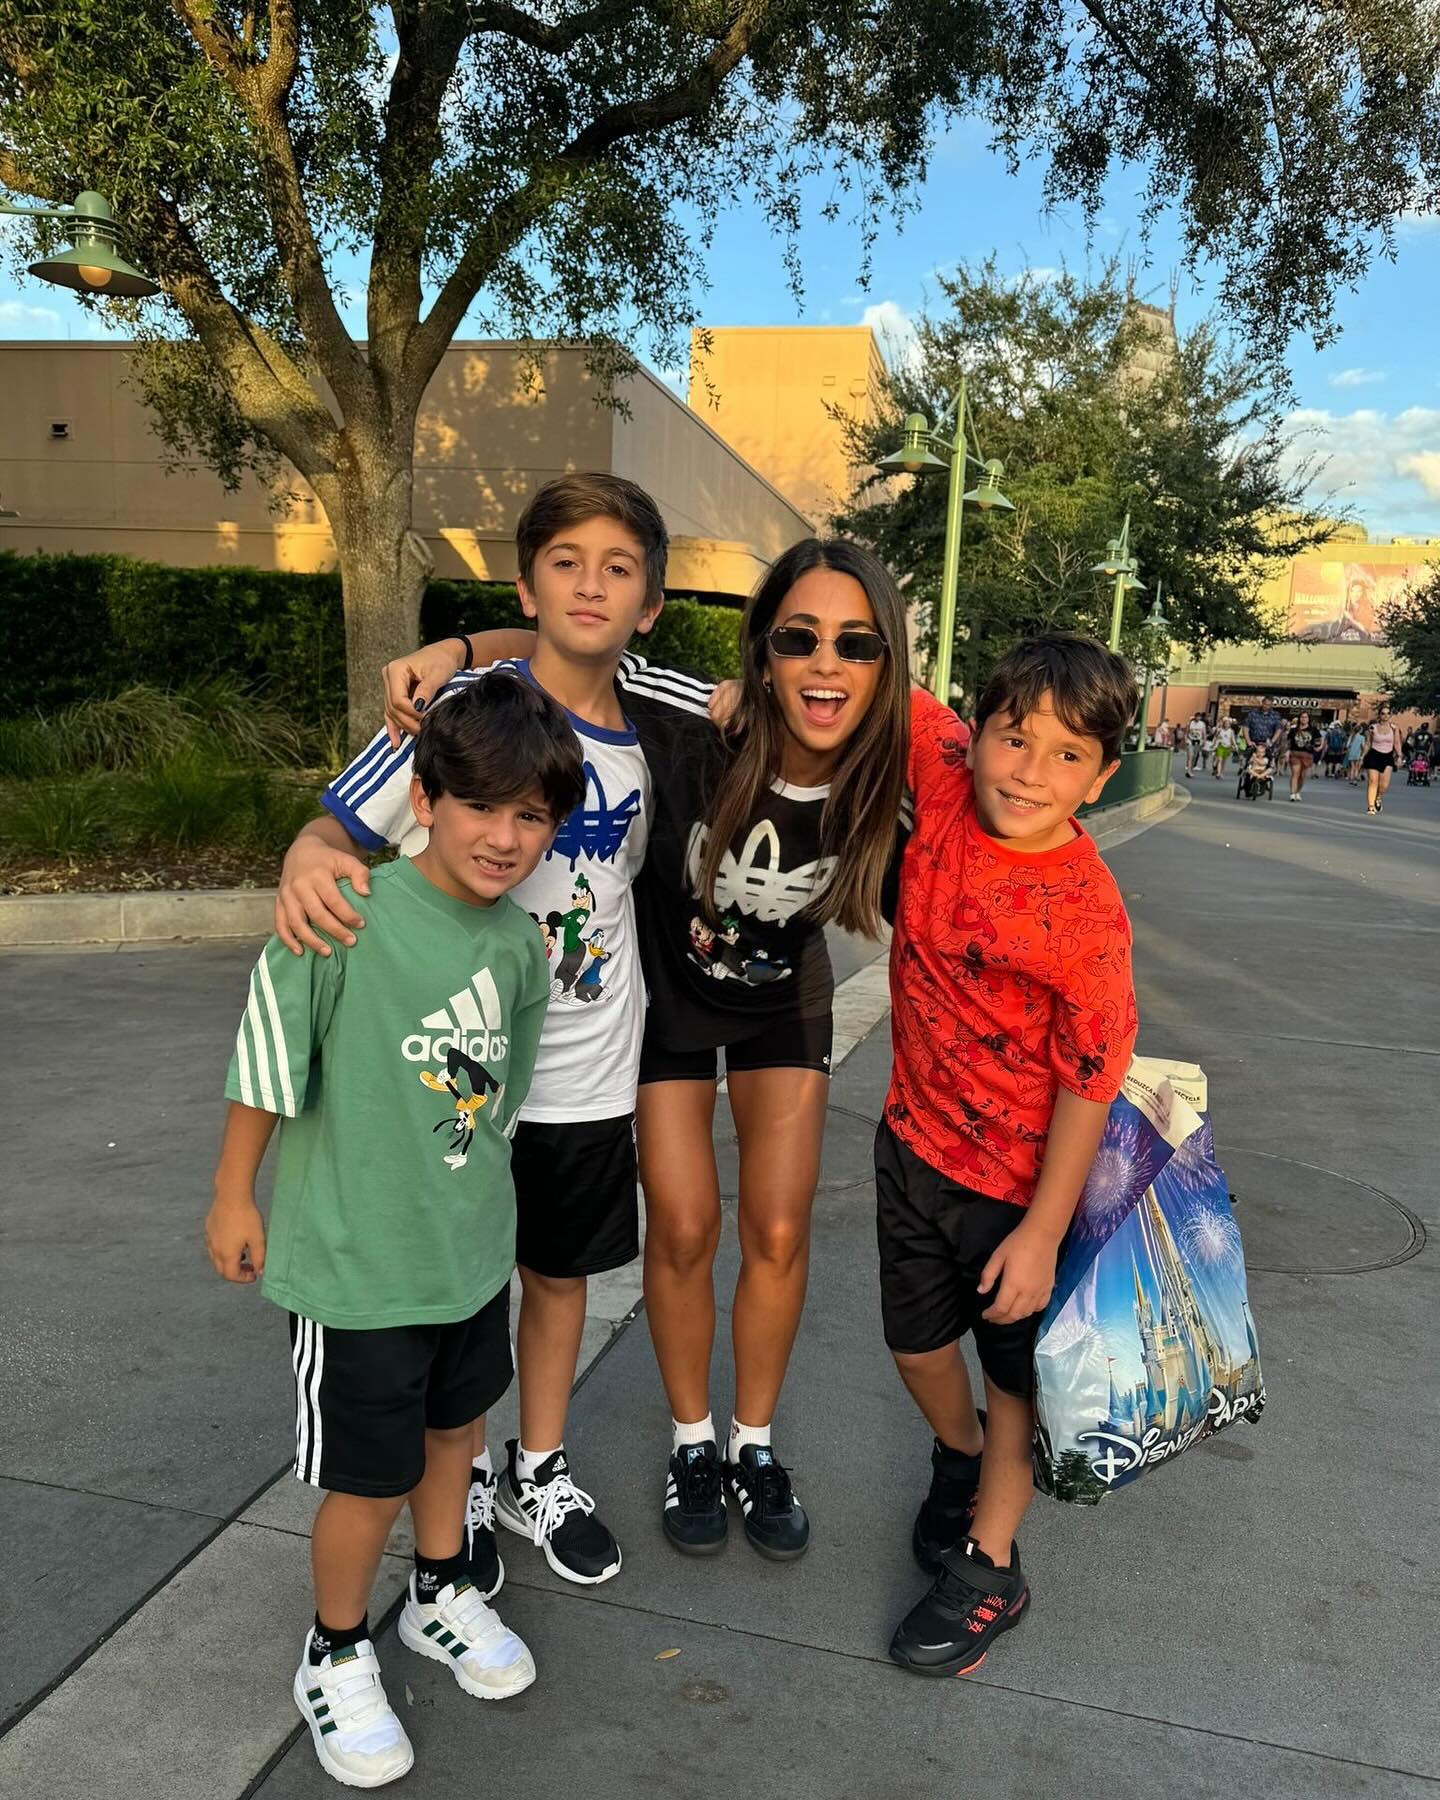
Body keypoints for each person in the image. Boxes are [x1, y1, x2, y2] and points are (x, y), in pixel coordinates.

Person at [335, 527, 913, 1567]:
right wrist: (456, 651)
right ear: (762, 648)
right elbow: (567, 639)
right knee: (683, 1226)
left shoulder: (900, 774)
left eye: (858, 644)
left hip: (787, 1000)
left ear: (888, 659)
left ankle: (752, 1445)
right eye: (800, 637)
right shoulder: (699, 720)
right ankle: (692, 1442)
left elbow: (1006, 847)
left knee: (778, 1227)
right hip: (668, 999)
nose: (827, 663)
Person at [276, 473, 665, 1589]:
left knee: (558, 1277)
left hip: (588, 1071)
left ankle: (536, 1467)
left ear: (648, 602)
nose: (589, 584)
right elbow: (339, 827)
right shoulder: (463, 714)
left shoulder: (649, 728)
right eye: (564, 562)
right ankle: (467, 1488)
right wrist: (311, 853)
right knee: (464, 1296)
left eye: (619, 567)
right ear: (524, 580)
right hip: (460, 1077)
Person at [205, 675, 580, 1788]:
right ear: (425, 797)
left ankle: (439, 1592)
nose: (505, 837)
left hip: (464, 1259)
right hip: (356, 1269)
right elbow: (269, 1056)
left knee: (455, 1441)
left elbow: (499, 1093)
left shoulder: (520, 946)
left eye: (531, 817)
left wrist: (477, 1206)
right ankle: (333, 1649)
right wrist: (235, 1193)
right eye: (481, 807)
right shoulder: (344, 910)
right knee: (364, 1478)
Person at [879, 635, 1138, 1679]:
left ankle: (992, 1566)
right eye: (1013, 736)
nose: (1031, 770)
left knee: (1014, 1380)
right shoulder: (942, 781)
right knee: (914, 1349)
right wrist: (737, 688)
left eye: (1068, 755)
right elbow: (871, 682)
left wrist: (1040, 1232)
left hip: (1019, 1191)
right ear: (976, 734)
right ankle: (961, 1453)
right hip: (909, 1145)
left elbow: (1092, 1076)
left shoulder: (1085, 913)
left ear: (1103, 776)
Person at [1363, 703, 1401, 814]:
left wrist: (1399, 756)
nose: (1385, 715)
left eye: (1388, 713)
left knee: (1384, 785)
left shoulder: (1394, 728)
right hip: (1374, 755)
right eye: (1383, 713)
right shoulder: (1373, 727)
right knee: (1372, 781)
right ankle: (1370, 806)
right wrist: (1362, 756)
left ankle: (1378, 797)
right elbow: (1368, 743)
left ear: (1390, 715)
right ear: (1379, 715)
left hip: (1387, 756)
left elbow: (1397, 743)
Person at [1286, 709, 1323, 801]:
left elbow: (1319, 739)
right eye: (1302, 717)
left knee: (1302, 776)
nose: (1304, 719)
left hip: (1307, 754)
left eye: (1306, 717)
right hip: (1295, 753)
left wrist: (1319, 747)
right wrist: (1287, 751)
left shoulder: (1313, 729)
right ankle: (1292, 793)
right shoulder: (1294, 730)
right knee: (1295, 773)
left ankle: (1298, 792)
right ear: (1299, 718)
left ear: (1308, 719)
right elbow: (1288, 742)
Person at [1183, 710, 1207, 778]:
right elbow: (1186, 732)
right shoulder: (1190, 723)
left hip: (1198, 741)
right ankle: (1189, 771)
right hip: (1190, 740)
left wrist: (1204, 741)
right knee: (1190, 756)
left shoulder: (1202, 724)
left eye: (1199, 717)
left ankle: (1191, 769)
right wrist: (1186, 740)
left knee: (1195, 756)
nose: (1198, 718)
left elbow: (1204, 733)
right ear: (1195, 717)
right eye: (1197, 717)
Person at [1346, 720, 1366, 784]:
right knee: (1357, 767)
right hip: (1358, 753)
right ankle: (1355, 780)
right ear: (1360, 730)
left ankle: (1351, 779)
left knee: (1352, 766)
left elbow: (1347, 745)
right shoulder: (1362, 737)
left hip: (1351, 752)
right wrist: (1363, 753)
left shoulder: (1351, 736)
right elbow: (1363, 746)